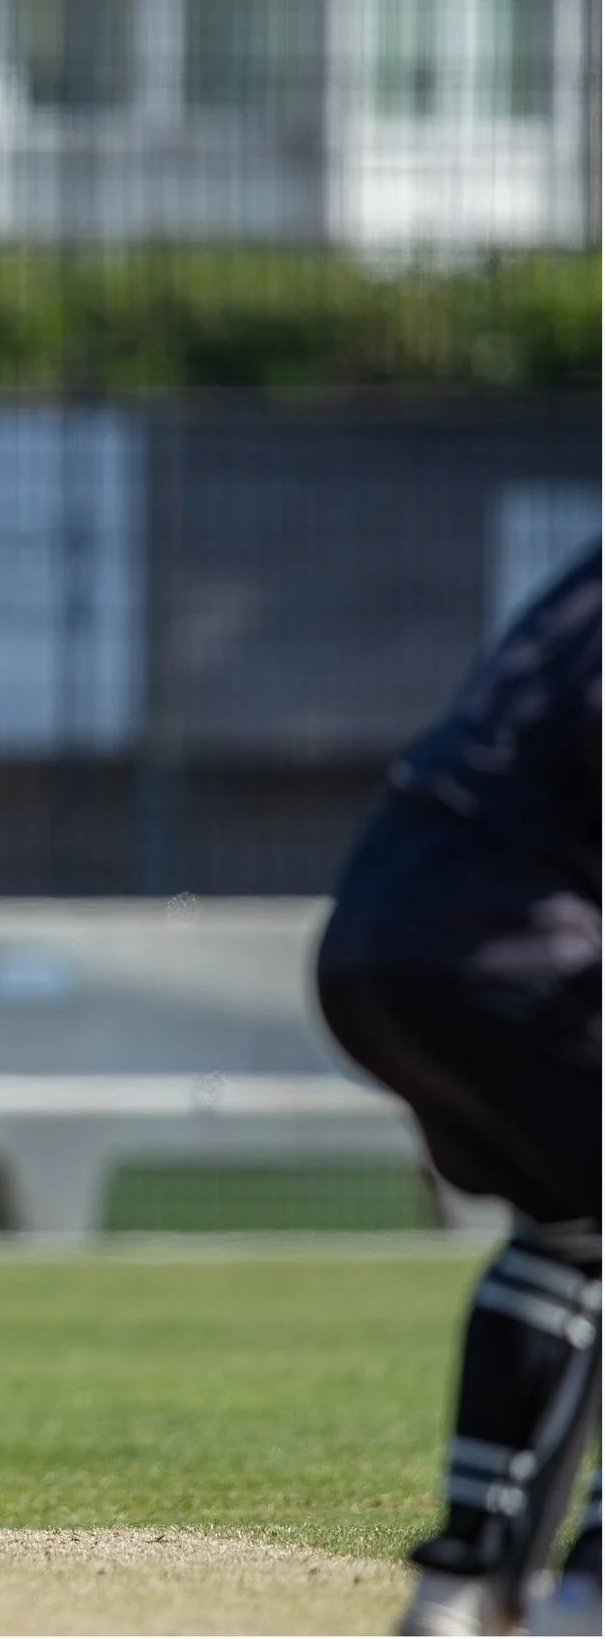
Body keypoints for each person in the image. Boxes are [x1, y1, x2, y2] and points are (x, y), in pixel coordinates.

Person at [314, 548, 599, 1635]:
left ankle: (463, 1586)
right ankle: (587, 1593)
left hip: (376, 929)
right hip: (504, 938)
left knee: (571, 1229)